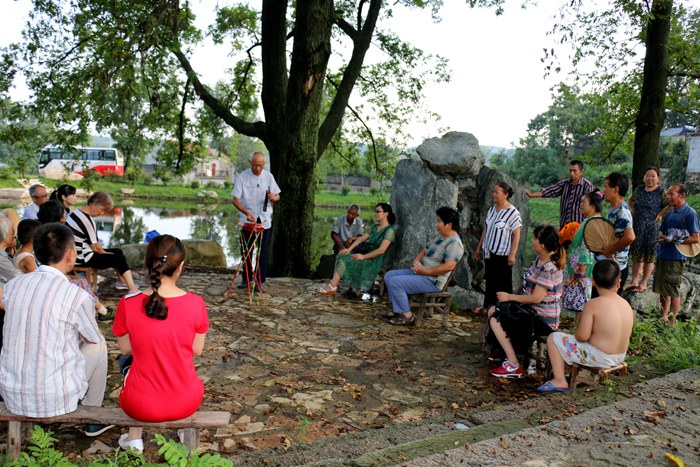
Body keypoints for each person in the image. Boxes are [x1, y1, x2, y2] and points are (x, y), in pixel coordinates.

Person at [0, 223, 112, 436]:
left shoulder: (13, 286)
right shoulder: (76, 296)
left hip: (12, 395)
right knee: (99, 344)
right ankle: (93, 417)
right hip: (54, 399)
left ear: (36, 254)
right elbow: (91, 336)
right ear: (70, 255)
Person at [113, 235, 209, 453]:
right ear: (180, 267)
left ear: (148, 263)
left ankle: (134, 439)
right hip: (186, 401)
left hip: (139, 405)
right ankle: (183, 430)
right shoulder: (196, 303)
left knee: (129, 365)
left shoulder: (128, 303)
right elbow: (196, 349)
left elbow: (126, 349)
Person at [540, 260, 634, 392]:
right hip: (619, 356)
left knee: (554, 338)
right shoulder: (626, 304)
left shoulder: (593, 305)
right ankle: (567, 370)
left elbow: (582, 337)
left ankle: (559, 380)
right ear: (619, 282)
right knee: (575, 342)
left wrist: (577, 336)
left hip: (600, 357)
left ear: (593, 281)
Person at [487, 225, 564, 378]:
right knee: (494, 309)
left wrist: (510, 297)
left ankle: (513, 364)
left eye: (535, 238)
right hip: (531, 311)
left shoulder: (549, 269)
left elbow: (536, 298)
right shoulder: (539, 260)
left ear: (542, 245)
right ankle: (504, 351)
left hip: (542, 320)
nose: (532, 240)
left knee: (496, 318)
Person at [382, 206, 464, 327]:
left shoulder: (454, 243)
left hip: (432, 281)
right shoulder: (441, 237)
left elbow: (449, 266)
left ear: (449, 224)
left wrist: (426, 271)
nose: (436, 224)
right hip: (421, 273)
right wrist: (416, 261)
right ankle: (397, 310)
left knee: (396, 282)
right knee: (389, 275)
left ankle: (407, 316)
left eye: (439, 221)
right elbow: (425, 250)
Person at [66, 191, 140, 293]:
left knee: (117, 251)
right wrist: (107, 254)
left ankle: (122, 282)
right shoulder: (87, 221)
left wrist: (109, 254)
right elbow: (96, 248)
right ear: (93, 204)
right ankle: (132, 288)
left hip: (78, 253)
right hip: (82, 258)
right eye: (102, 209)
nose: (102, 213)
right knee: (119, 258)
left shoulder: (75, 213)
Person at [318, 203, 396, 295]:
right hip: (367, 254)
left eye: (378, 211)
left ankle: (332, 286)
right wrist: (349, 249)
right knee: (342, 254)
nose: (375, 213)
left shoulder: (389, 231)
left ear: (386, 214)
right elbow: (362, 238)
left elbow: (381, 250)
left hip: (374, 260)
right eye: (375, 211)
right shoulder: (375, 227)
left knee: (345, 259)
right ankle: (333, 285)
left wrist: (363, 257)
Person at [232, 151, 281, 290]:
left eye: (260, 165)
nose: (258, 168)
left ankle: (259, 281)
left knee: (263, 253)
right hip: (247, 221)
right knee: (247, 251)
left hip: (264, 221)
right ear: (250, 163)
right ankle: (246, 279)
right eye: (255, 165)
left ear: (264, 164)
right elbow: (235, 200)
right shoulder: (242, 177)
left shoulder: (269, 177)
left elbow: (278, 196)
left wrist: (274, 197)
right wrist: (246, 213)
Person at [653, 183, 700, 324]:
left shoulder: (689, 213)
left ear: (682, 195)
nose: (668, 196)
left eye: (671, 194)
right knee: (662, 288)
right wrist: (662, 238)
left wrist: (674, 240)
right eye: (668, 194)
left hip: (676, 257)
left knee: (673, 288)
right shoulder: (668, 213)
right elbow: (663, 232)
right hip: (663, 254)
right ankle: (663, 318)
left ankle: (672, 321)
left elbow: (695, 238)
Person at [474, 182, 522, 314]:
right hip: (489, 252)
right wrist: (479, 247)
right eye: (493, 192)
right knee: (490, 281)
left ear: (505, 195)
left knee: (503, 284)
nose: (493, 194)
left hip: (503, 255)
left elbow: (517, 235)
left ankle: (504, 310)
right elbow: (486, 229)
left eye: (497, 192)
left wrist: (512, 254)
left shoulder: (513, 213)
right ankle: (489, 308)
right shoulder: (492, 209)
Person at [564, 190, 604, 320]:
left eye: (583, 202)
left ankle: (580, 329)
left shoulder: (592, 223)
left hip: (583, 272)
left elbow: (587, 248)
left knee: (582, 304)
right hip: (580, 270)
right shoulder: (590, 220)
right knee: (580, 304)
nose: (580, 204)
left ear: (592, 205)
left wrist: (581, 271)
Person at [626, 167, 668, 292]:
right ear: (644, 177)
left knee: (650, 255)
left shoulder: (662, 192)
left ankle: (643, 282)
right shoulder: (639, 189)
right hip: (638, 225)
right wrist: (634, 210)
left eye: (653, 176)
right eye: (648, 175)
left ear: (658, 178)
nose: (650, 178)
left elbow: (672, 204)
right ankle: (634, 280)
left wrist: (661, 214)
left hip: (653, 227)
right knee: (636, 253)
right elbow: (631, 200)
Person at [595, 172, 635, 295]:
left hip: (613, 271)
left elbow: (630, 237)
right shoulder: (614, 209)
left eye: (606, 186)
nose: (604, 190)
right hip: (607, 266)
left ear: (616, 189)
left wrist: (610, 250)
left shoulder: (621, 212)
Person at [525, 160, 593, 229]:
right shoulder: (564, 184)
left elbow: (590, 207)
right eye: (570, 170)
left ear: (581, 172)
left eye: (575, 171)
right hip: (564, 226)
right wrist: (532, 195)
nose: (572, 173)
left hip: (579, 227)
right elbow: (549, 191)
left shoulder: (587, 186)